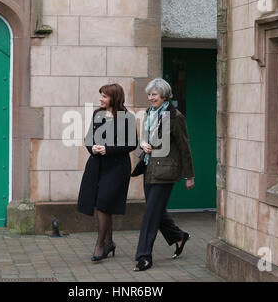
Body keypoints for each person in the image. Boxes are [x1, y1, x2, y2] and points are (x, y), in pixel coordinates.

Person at [131, 77, 195, 271]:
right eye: (149, 94)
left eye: (154, 95)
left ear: (164, 95)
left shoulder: (175, 116)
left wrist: (189, 175)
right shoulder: (149, 113)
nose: (151, 98)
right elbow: (144, 137)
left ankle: (144, 257)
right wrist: (142, 144)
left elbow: (185, 148)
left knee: (150, 214)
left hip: (166, 171)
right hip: (149, 169)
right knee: (155, 211)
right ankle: (178, 236)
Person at [77, 83, 138, 262]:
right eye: (101, 95)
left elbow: (131, 143)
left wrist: (108, 149)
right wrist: (93, 147)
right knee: (102, 205)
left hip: (117, 168)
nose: (101, 99)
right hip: (97, 165)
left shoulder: (127, 117)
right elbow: (89, 138)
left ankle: (99, 245)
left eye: (104, 96)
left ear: (114, 97)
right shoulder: (97, 114)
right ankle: (109, 242)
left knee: (104, 203)